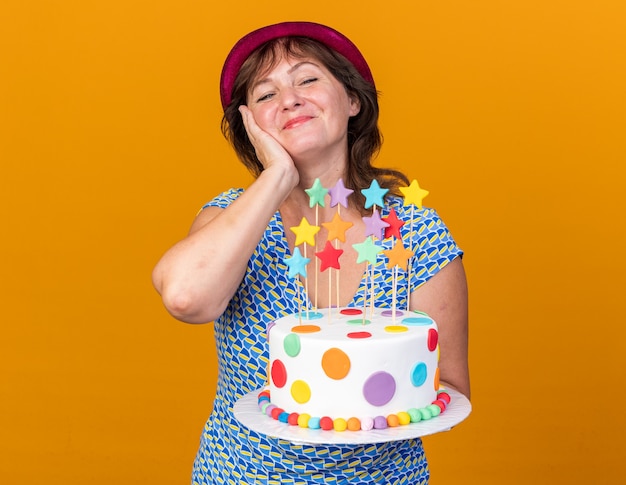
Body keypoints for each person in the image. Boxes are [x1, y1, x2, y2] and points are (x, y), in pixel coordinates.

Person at [152, 21, 470, 485]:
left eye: (307, 79)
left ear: (353, 100)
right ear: (249, 126)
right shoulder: (230, 220)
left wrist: (354, 406)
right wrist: (277, 176)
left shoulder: (416, 232)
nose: (289, 99)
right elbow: (184, 297)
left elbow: (451, 388)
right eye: (264, 95)